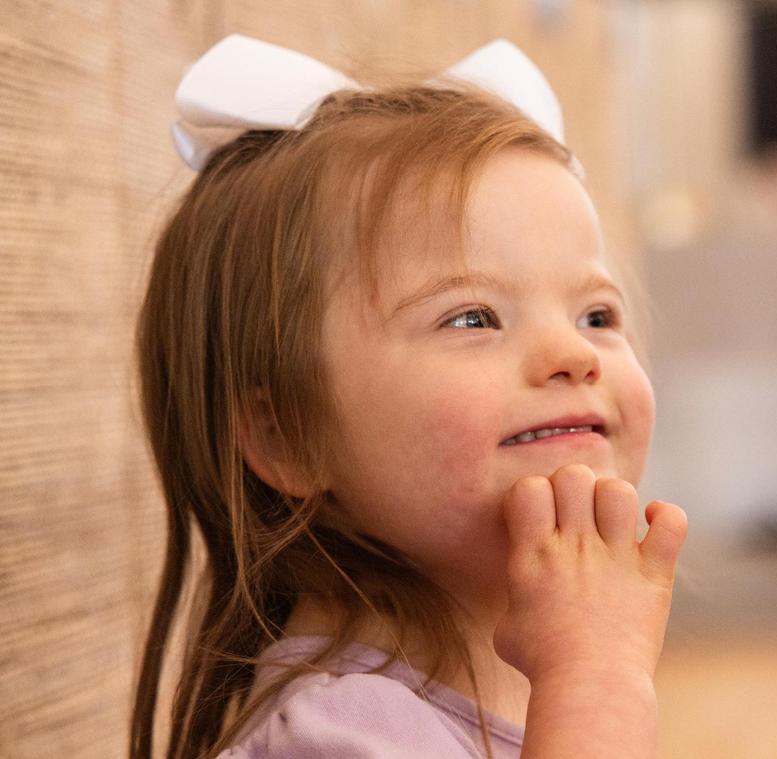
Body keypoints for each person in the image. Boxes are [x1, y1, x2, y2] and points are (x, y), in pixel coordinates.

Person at [129, 34, 687, 759]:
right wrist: (598, 682)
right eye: (472, 317)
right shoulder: (337, 735)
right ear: (287, 434)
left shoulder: (513, 677)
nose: (574, 355)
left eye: (598, 316)